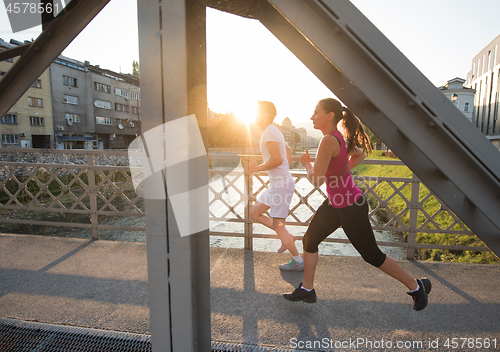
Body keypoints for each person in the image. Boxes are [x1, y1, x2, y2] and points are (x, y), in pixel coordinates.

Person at [283, 98, 431, 310]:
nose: (311, 117)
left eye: (316, 113)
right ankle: (307, 290)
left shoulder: (328, 140)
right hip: (337, 202)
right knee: (310, 240)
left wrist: (307, 163)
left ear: (330, 115)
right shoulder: (338, 138)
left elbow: (316, 179)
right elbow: (358, 154)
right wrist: (340, 175)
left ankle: (417, 286)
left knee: (372, 255)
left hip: (350, 205)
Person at [249, 101, 303, 271]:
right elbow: (288, 153)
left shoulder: (270, 132)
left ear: (265, 114)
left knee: (279, 226)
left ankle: (298, 261)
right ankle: (286, 236)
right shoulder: (273, 130)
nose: (255, 116)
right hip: (277, 184)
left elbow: (278, 159)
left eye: (257, 112)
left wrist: (257, 168)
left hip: (280, 185)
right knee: (255, 212)